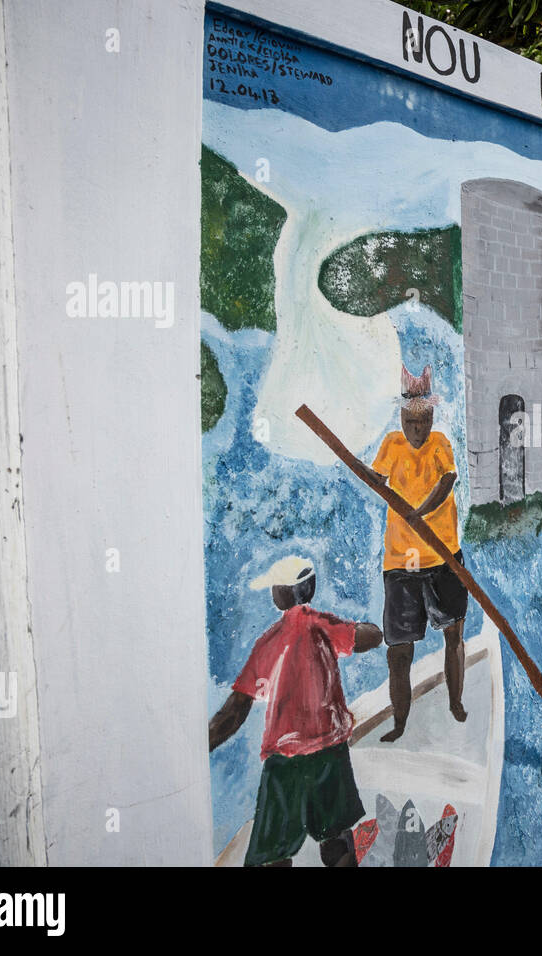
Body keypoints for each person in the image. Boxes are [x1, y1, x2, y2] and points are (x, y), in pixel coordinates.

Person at [208, 556, 383, 866]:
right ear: (310, 589)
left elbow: (235, 711)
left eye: (274, 588)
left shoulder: (270, 643)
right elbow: (370, 636)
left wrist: (202, 744)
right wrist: (360, 628)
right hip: (330, 752)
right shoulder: (323, 626)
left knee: (274, 853)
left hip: (285, 763)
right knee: (337, 841)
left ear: (282, 594)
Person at [369, 364, 469, 742]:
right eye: (412, 423)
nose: (418, 431)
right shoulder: (391, 445)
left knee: (453, 634)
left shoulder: (440, 443)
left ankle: (456, 702)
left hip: (443, 558)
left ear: (431, 418)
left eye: (423, 422)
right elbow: (376, 478)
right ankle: (399, 722)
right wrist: (370, 477)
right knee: (399, 651)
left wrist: (419, 512)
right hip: (399, 565)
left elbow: (447, 481)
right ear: (402, 418)